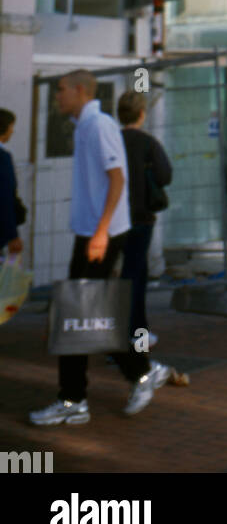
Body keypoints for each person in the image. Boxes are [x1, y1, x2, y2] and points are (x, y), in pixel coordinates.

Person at [30, 71, 162, 426]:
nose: (56, 96)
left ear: (79, 90)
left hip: (99, 236)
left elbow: (118, 178)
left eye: (60, 90)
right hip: (91, 233)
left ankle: (90, 393)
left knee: (80, 315)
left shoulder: (99, 125)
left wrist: (102, 233)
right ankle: (109, 385)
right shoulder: (86, 125)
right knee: (80, 315)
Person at [118, 91, 173, 356]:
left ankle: (114, 330)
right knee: (136, 275)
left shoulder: (112, 140)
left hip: (114, 218)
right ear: (142, 114)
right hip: (141, 217)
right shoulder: (148, 143)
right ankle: (136, 333)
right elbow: (165, 176)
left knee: (118, 275)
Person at [0, 108, 24, 255]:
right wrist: (13, 235)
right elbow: (4, 198)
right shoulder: (3, 158)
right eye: (11, 127)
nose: (12, 131)